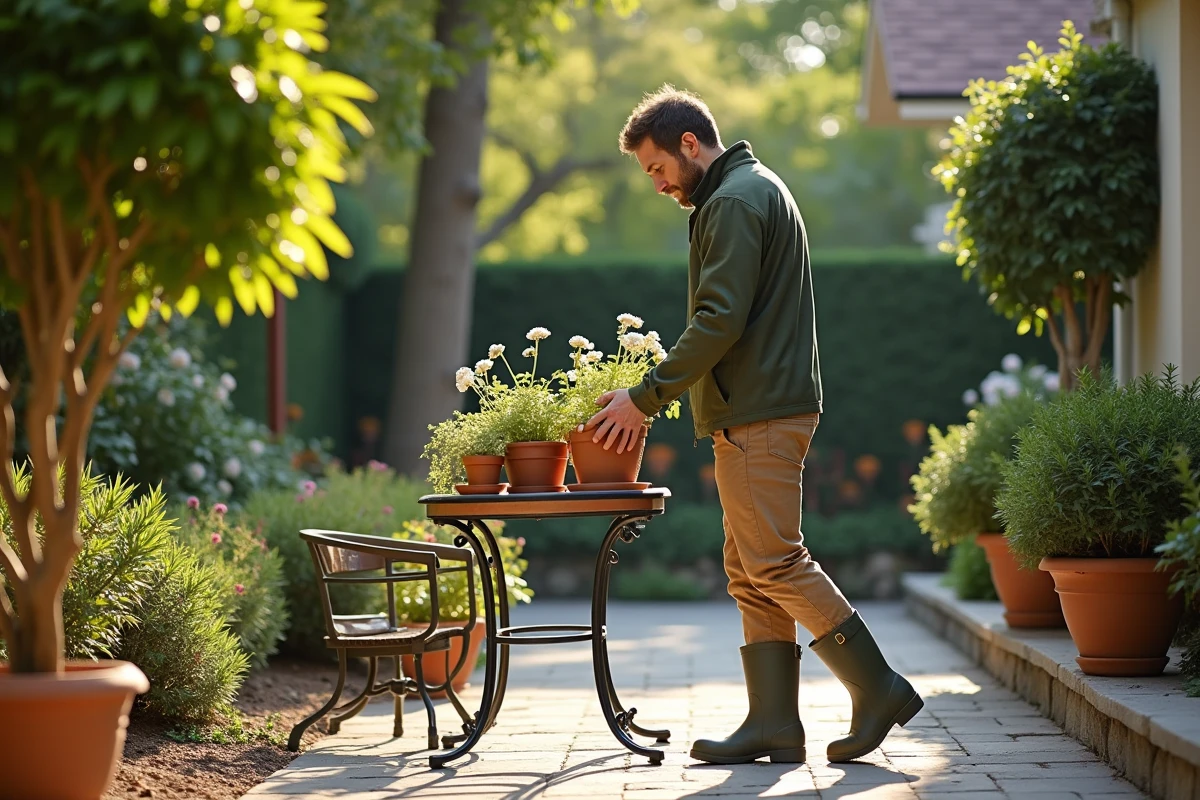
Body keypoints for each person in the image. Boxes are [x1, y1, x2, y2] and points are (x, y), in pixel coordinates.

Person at [584, 85, 923, 766]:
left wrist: (645, 396)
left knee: (773, 559)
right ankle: (772, 723)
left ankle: (879, 687)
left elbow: (719, 318)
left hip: (760, 411)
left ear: (689, 144)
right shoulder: (744, 190)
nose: (654, 184)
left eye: (656, 168)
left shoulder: (735, 200)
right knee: (748, 568)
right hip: (756, 407)